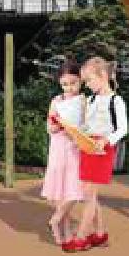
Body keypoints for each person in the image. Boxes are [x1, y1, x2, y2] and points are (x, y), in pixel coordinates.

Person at [63, 57, 127, 254]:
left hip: (103, 150)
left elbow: (123, 129)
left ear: (103, 76)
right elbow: (87, 126)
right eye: (85, 81)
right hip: (88, 147)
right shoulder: (90, 99)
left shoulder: (116, 101)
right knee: (89, 194)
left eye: (89, 80)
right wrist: (77, 134)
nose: (87, 85)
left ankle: (81, 237)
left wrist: (106, 140)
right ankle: (99, 234)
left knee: (89, 194)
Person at [41, 58, 85, 245]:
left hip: (75, 148)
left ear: (80, 81)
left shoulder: (83, 101)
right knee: (62, 190)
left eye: (73, 83)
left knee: (75, 189)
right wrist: (58, 125)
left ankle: (55, 219)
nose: (69, 88)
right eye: (64, 84)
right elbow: (49, 127)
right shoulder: (56, 100)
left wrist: (76, 130)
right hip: (59, 147)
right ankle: (64, 233)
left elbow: (86, 125)